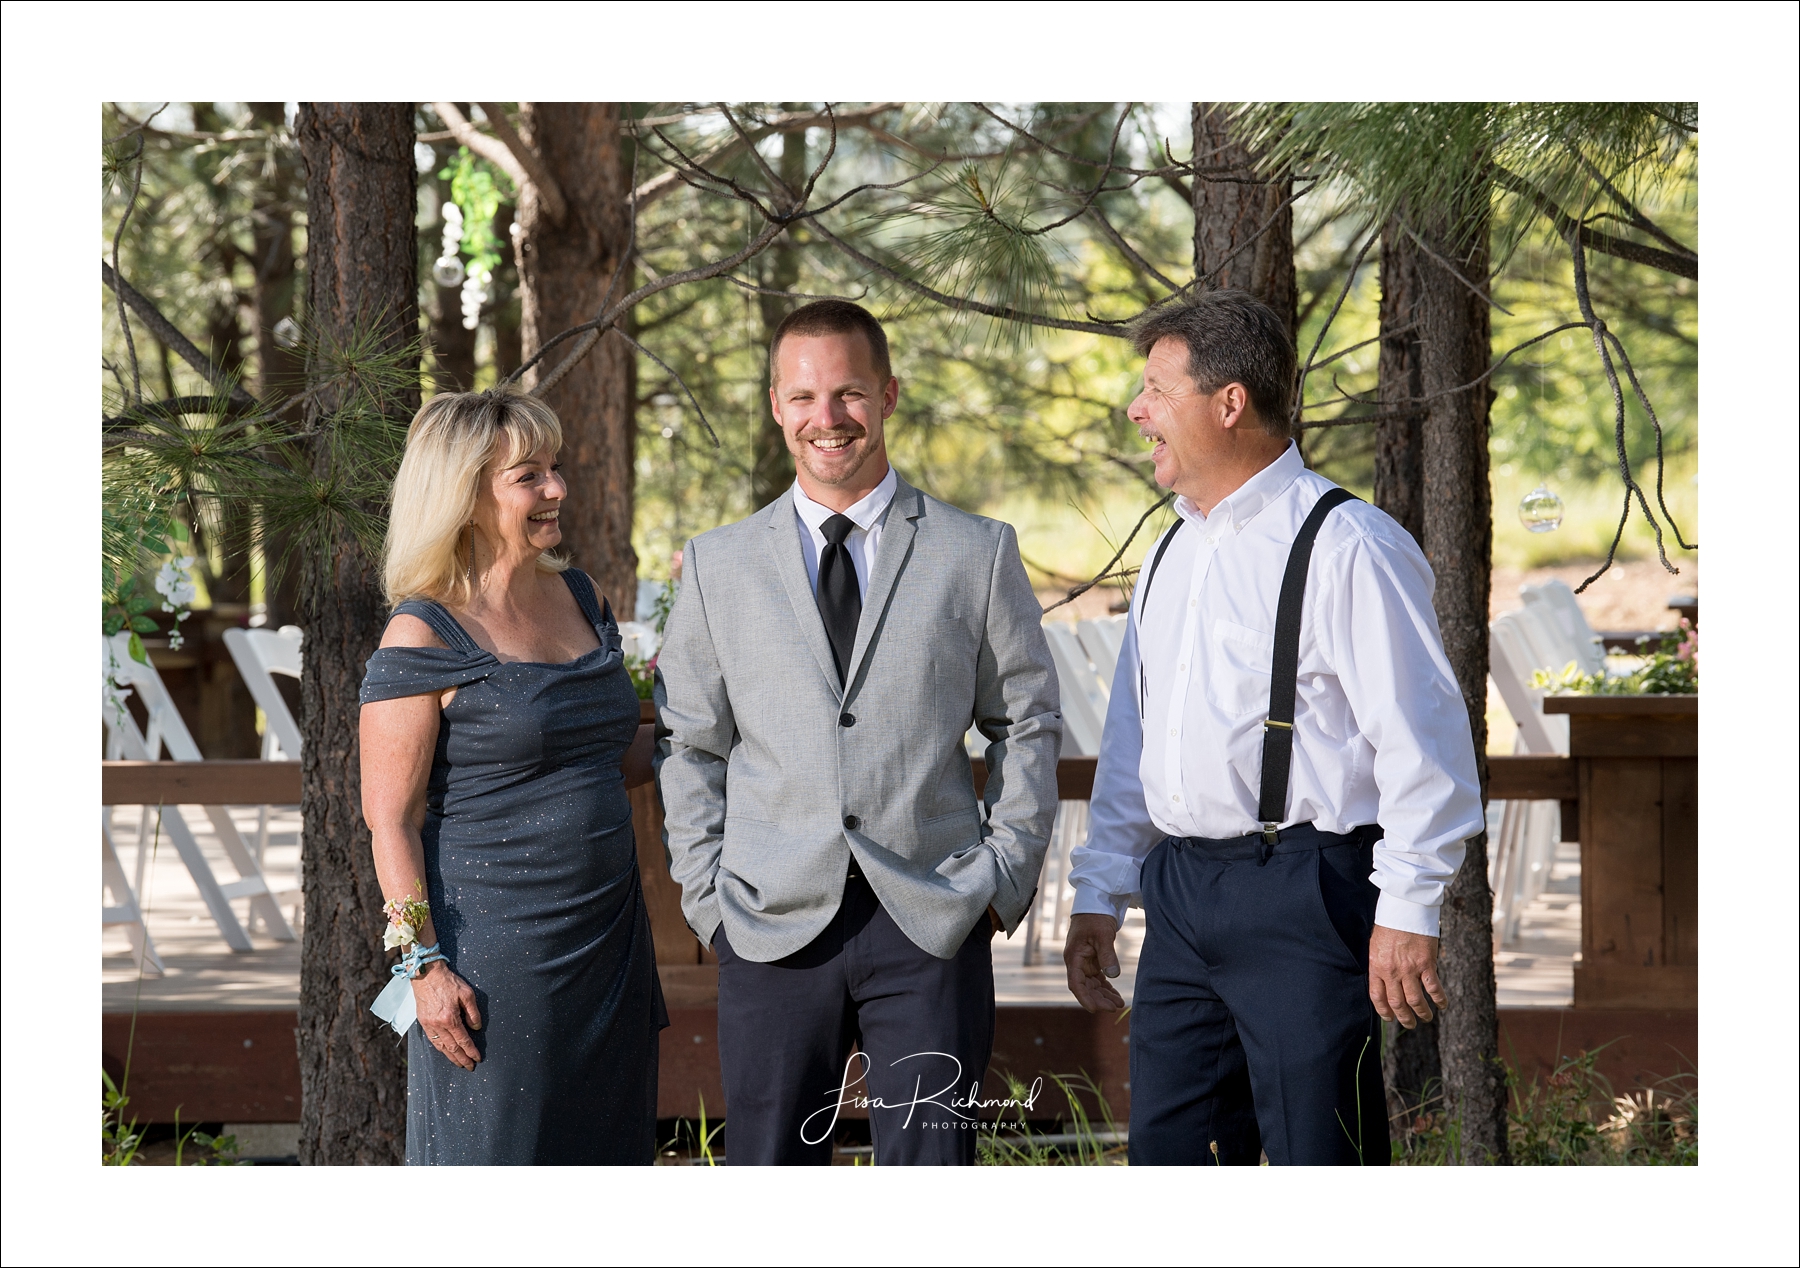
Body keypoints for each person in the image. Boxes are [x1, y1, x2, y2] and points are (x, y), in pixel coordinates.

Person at [1063, 290, 1483, 1166]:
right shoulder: (1168, 552)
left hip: (1302, 889)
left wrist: (1407, 906)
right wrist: (1101, 888)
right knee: (1172, 1158)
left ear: (1228, 403)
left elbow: (1424, 746)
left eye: (1156, 390)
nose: (1137, 411)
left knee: (1317, 1159)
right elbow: (1136, 738)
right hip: (1179, 895)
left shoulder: (1347, 545)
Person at [655, 300, 1062, 1165]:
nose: (826, 419)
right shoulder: (719, 564)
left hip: (932, 917)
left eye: (848, 393)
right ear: (775, 405)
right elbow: (690, 744)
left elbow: (1025, 721)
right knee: (770, 1172)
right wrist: (707, 896)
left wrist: (1003, 875)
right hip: (768, 921)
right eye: (803, 397)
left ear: (888, 394)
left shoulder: (975, 551)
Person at [359, 386, 666, 1165]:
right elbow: (390, 819)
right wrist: (423, 968)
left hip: (611, 945)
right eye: (529, 475)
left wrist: (711, 734)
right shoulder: (423, 630)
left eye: (555, 469)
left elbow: (609, 758)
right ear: (464, 496)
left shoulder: (581, 594)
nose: (557, 488)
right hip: (495, 960)